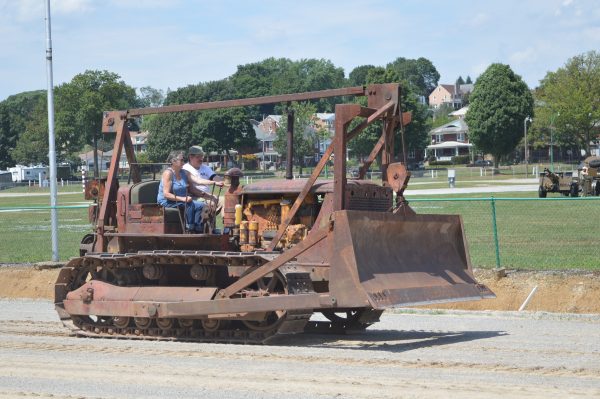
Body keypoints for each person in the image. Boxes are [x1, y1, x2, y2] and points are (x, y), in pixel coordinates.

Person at [157, 150, 206, 232]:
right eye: (182, 160)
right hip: (166, 201)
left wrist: (213, 182)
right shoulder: (168, 173)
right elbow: (166, 194)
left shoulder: (183, 172)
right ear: (173, 161)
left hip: (177, 200)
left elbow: (197, 181)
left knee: (201, 205)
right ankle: (189, 228)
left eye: (184, 160)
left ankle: (197, 227)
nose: (184, 162)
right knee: (189, 203)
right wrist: (183, 199)